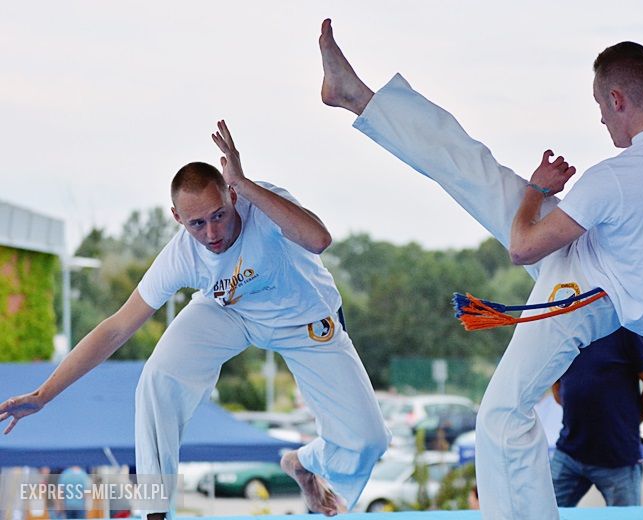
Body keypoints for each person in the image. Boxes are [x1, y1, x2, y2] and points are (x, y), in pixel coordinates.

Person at [317, 18, 643, 519]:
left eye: (602, 107)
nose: (603, 121)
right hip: (593, 260)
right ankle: (357, 96)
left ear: (619, 98)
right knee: (475, 169)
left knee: (501, 414)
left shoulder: (613, 178)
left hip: (580, 294)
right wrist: (534, 195)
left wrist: (538, 191)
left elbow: (522, 247)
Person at [0, 120, 390, 518]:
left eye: (219, 215)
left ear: (232, 197)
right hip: (229, 313)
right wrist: (43, 395)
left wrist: (246, 184)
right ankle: (155, 511)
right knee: (158, 377)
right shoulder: (182, 254)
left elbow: (319, 240)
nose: (211, 233)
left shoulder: (264, 204)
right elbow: (117, 327)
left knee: (369, 440)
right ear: (177, 218)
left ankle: (304, 462)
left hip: (304, 320)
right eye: (196, 223)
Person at [550, 328, 643, 507]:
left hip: (618, 459)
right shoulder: (569, 328)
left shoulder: (629, 330)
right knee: (541, 511)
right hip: (570, 452)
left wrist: (630, 424)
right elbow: (554, 378)